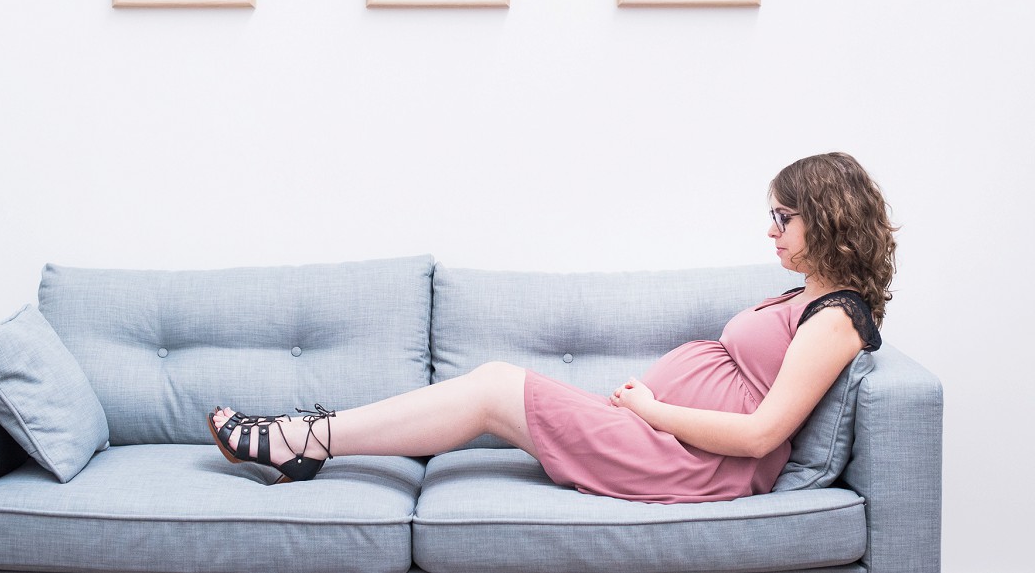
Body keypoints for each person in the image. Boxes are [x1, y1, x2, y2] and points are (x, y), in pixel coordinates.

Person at [207, 152, 896, 503]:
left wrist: (655, 408)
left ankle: (306, 440)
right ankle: (308, 438)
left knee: (491, 387)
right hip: (659, 434)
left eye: (784, 216)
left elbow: (760, 433)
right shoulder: (808, 296)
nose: (770, 229)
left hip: (687, 460)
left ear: (827, 217)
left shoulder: (840, 318)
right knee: (487, 386)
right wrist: (655, 407)